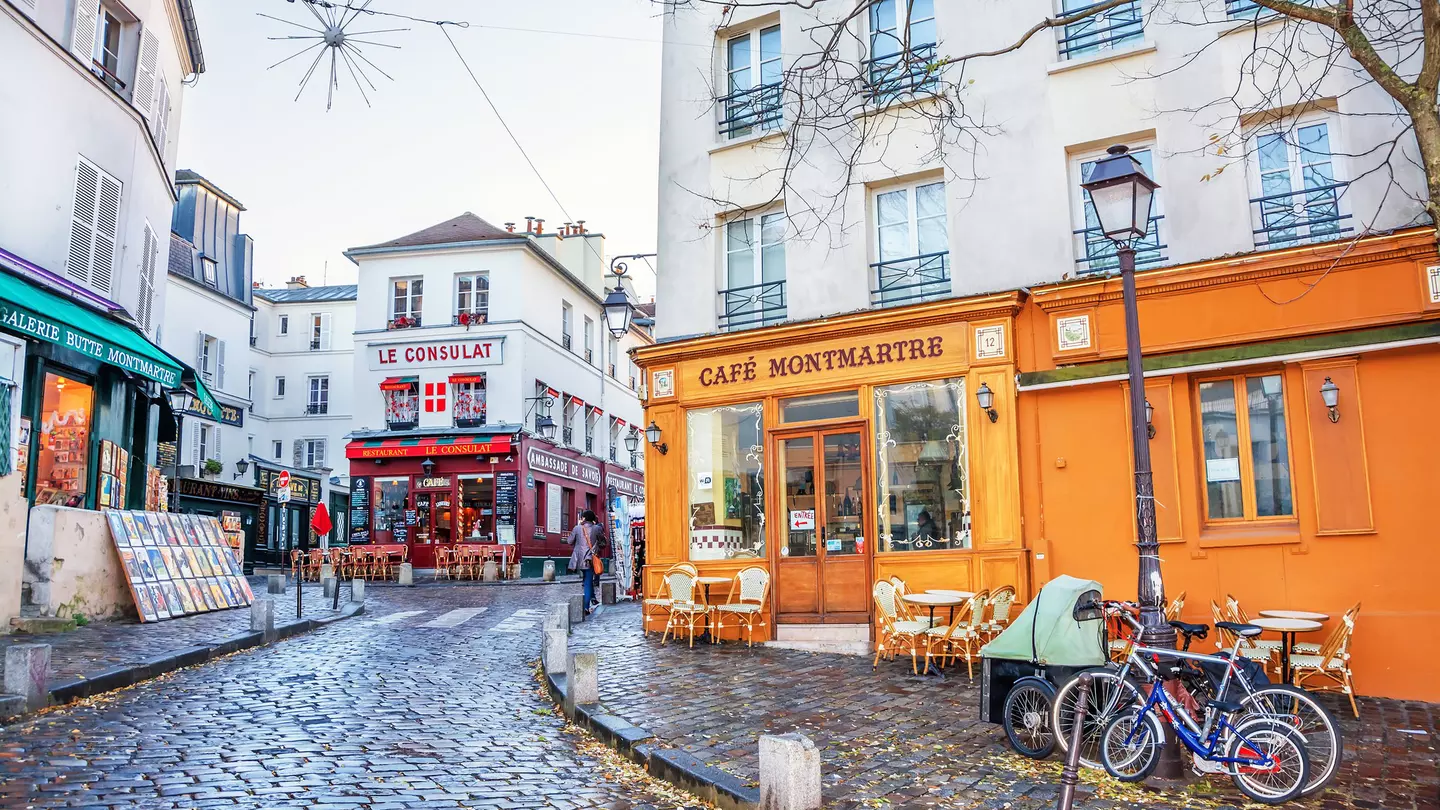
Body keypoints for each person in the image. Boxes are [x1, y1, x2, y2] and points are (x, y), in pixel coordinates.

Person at [567, 510, 604, 612]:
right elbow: (603, 543)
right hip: (590, 559)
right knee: (588, 581)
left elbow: (569, 541)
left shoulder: (577, 528)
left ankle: (592, 599)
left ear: (583, 518)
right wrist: (596, 546)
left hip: (578, 559)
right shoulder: (597, 528)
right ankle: (586, 607)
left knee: (587, 580)